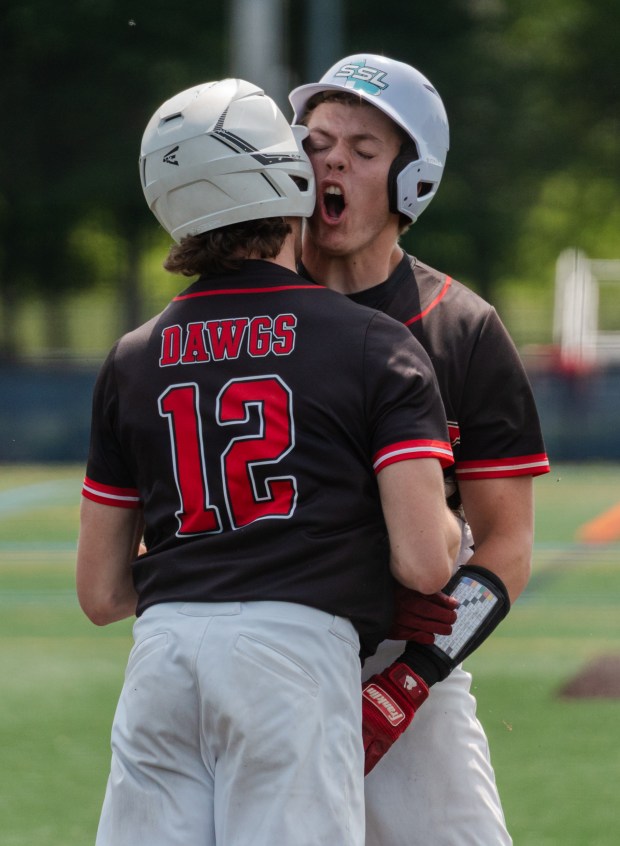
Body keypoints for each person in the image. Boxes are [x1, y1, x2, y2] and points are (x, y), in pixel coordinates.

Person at [76, 78, 462, 846]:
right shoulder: (373, 344)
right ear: (285, 178)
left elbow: (99, 591)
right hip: (294, 657)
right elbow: (424, 563)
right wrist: (453, 536)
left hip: (162, 659)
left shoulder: (130, 359)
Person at [289, 54, 551, 845]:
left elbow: (505, 544)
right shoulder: (246, 306)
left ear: (414, 184)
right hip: (270, 654)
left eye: (363, 150)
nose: (330, 159)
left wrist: (412, 679)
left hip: (409, 663)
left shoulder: (462, 328)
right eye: (315, 141)